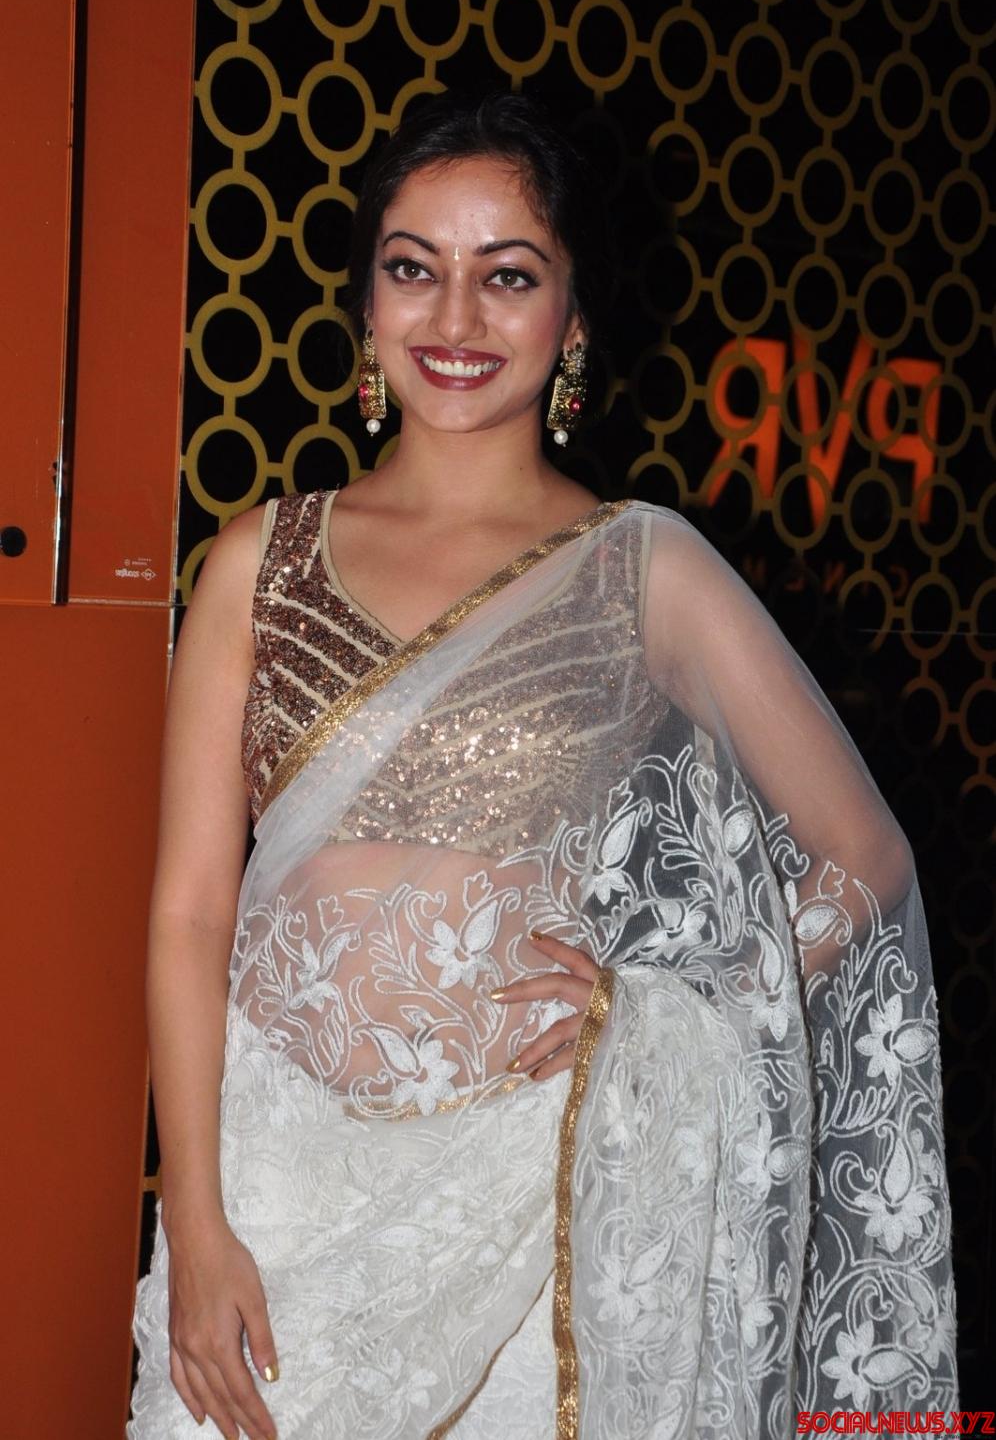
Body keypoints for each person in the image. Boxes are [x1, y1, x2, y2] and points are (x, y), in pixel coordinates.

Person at [128, 93, 956, 1440]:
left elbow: (866, 858)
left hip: (528, 1197)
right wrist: (197, 1222)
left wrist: (671, 1010)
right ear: (365, 304)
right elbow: (185, 915)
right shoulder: (255, 562)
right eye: (414, 268)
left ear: (572, 320)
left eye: (507, 275)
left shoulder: (643, 565)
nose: (454, 317)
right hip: (272, 1201)